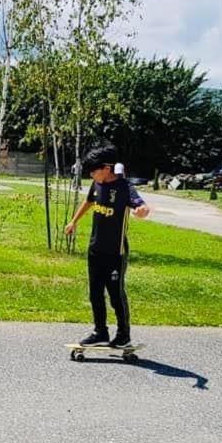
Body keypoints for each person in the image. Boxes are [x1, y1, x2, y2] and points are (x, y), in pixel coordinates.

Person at [65, 146, 150, 348]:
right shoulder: (97, 184)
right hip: (95, 248)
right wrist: (74, 221)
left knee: (115, 293)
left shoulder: (124, 187)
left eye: (94, 171)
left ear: (106, 168)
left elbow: (141, 205)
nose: (92, 175)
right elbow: (88, 201)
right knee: (95, 293)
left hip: (115, 252)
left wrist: (142, 211)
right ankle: (100, 331)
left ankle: (123, 334)